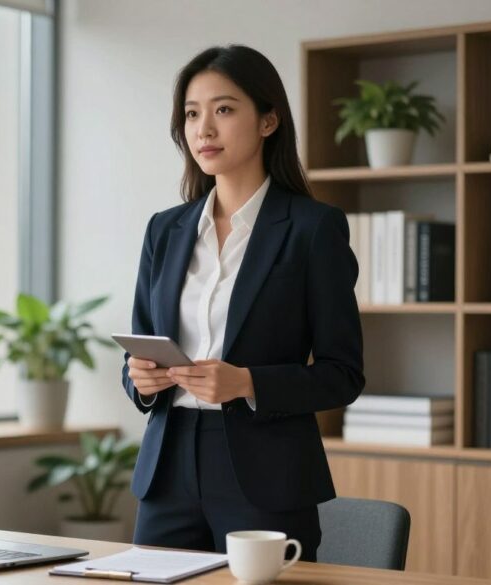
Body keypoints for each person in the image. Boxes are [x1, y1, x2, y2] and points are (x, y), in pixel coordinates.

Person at [120, 45, 364, 561]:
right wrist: (139, 379)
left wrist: (248, 383)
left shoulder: (313, 229)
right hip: (167, 470)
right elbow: (139, 351)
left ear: (268, 120)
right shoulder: (164, 231)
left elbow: (344, 374)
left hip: (266, 474)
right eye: (192, 113)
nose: (203, 128)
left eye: (223, 110)